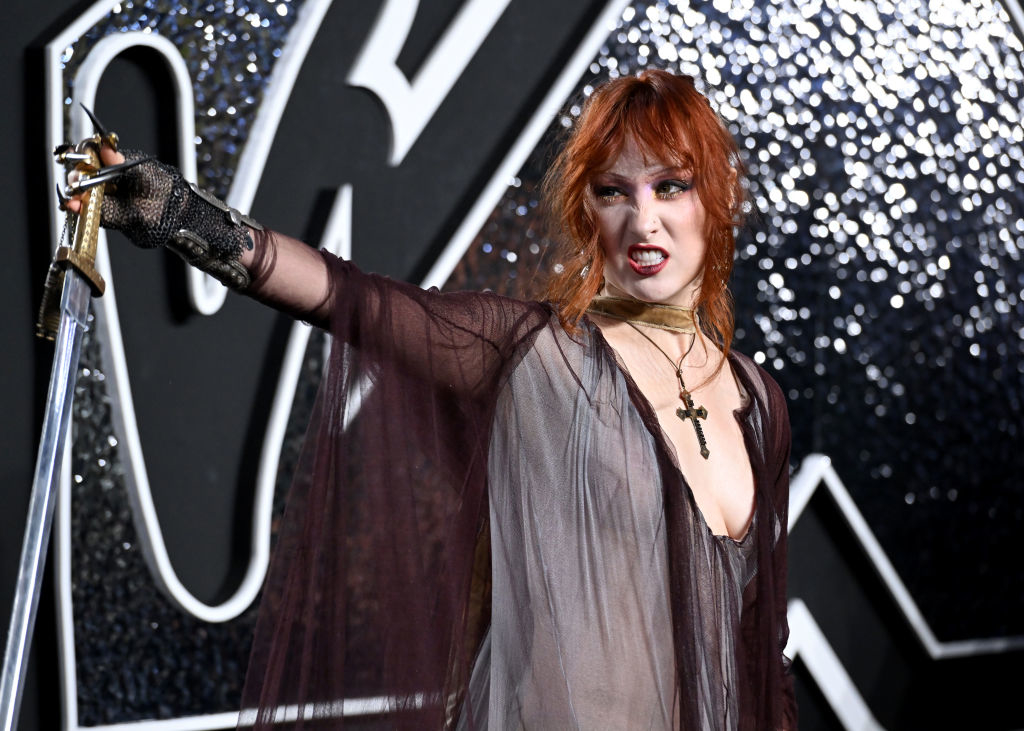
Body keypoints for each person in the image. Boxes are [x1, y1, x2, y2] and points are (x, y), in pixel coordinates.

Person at [65, 69, 795, 730]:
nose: (644, 222)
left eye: (671, 185)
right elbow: (349, 297)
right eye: (614, 191)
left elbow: (763, 656)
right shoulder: (534, 352)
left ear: (717, 197)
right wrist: (186, 217)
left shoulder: (758, 401)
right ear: (586, 211)